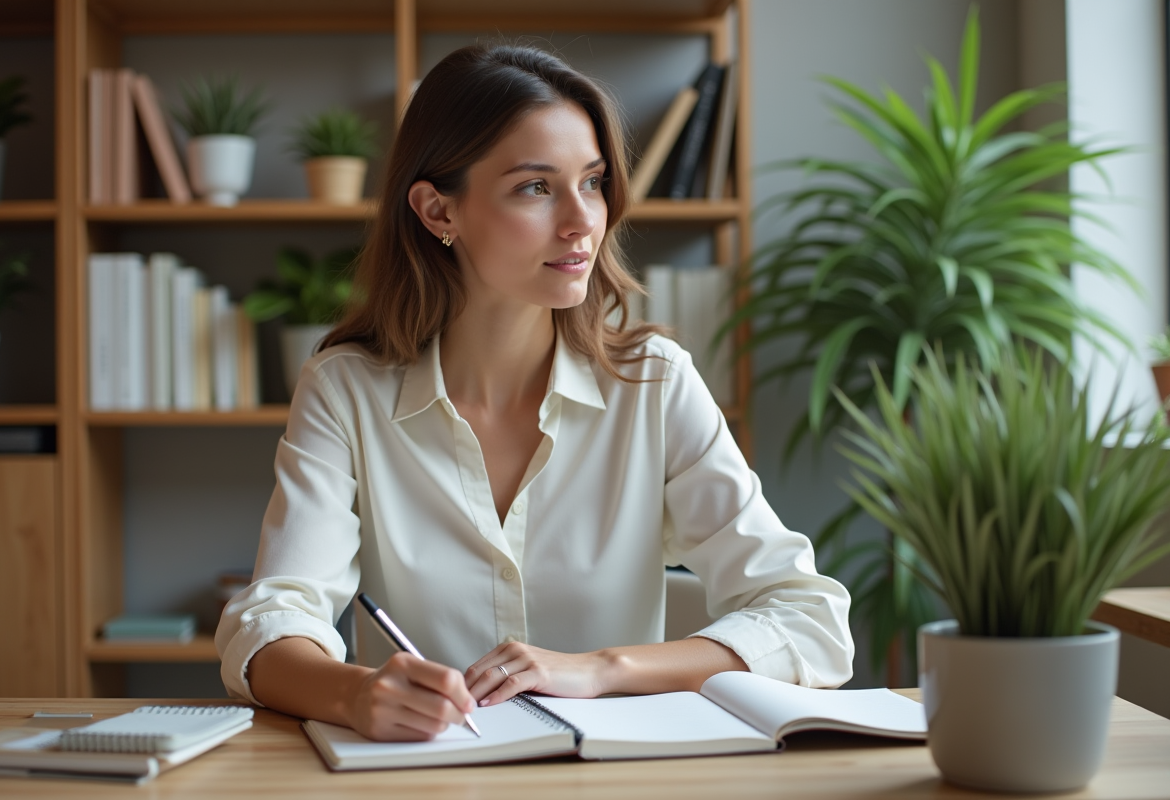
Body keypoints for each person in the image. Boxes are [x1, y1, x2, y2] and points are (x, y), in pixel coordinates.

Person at [216, 43, 854, 743]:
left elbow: (808, 618)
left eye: (593, 181)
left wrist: (602, 669)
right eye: (535, 187)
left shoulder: (654, 383)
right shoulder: (346, 391)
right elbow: (272, 621)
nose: (583, 221)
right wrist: (356, 695)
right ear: (437, 212)